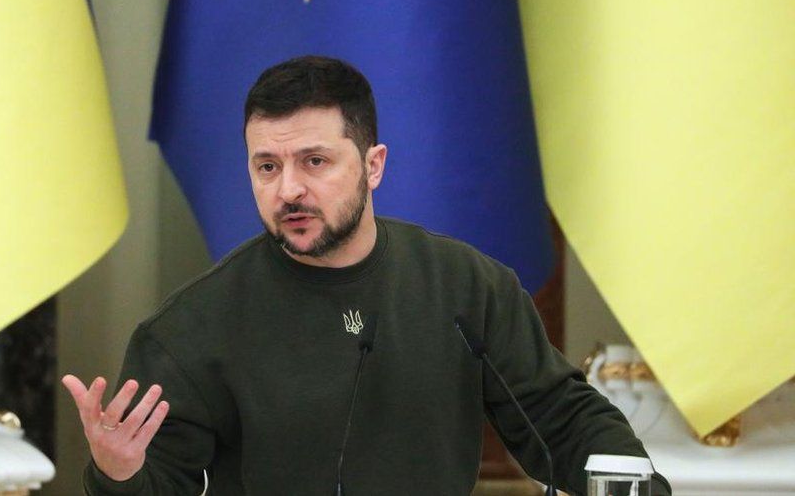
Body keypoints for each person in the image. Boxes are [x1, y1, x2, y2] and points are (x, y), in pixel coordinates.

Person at [63, 56, 672, 495]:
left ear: (373, 165)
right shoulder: (188, 329)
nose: (289, 189)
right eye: (266, 166)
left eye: (315, 161)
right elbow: (156, 484)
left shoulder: (467, 288)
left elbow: (562, 420)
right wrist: (118, 473)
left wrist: (631, 483)